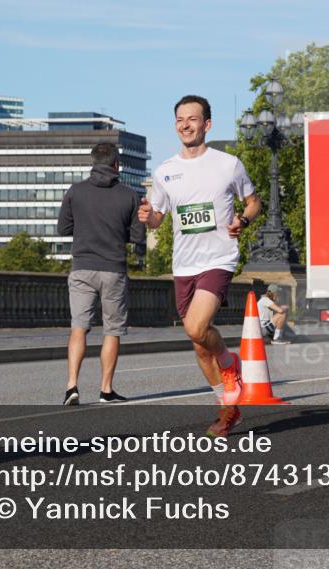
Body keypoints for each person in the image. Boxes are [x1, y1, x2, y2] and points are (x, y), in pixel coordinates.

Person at [138, 95, 261, 438]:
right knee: (197, 342)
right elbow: (159, 218)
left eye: (192, 119)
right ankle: (227, 408)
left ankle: (230, 363)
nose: (185, 125)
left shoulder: (228, 164)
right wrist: (149, 218)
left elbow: (253, 202)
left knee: (195, 327)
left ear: (207, 124)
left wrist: (243, 220)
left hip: (219, 258)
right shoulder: (165, 171)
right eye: (180, 119)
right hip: (184, 263)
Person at [57, 142, 146, 405]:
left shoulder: (76, 191)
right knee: (112, 330)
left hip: (82, 267)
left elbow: (63, 229)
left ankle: (71, 386)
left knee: (78, 329)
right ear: (116, 164)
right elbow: (137, 237)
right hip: (113, 269)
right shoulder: (129, 195)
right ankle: (106, 390)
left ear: (93, 163)